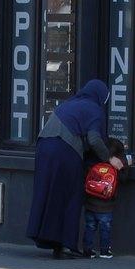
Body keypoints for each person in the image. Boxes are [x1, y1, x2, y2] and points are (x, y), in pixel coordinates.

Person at [28, 80, 122, 258]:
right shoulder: (95, 110)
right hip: (65, 150)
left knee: (48, 194)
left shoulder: (71, 103)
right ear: (100, 96)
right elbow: (94, 139)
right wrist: (110, 159)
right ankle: (65, 244)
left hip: (43, 147)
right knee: (70, 196)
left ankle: (48, 239)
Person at [82, 138, 125, 258]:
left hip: (90, 203)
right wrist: (125, 167)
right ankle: (105, 251)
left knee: (90, 227)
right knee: (105, 228)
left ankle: (87, 250)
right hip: (106, 206)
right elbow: (123, 178)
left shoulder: (93, 162)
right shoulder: (116, 166)